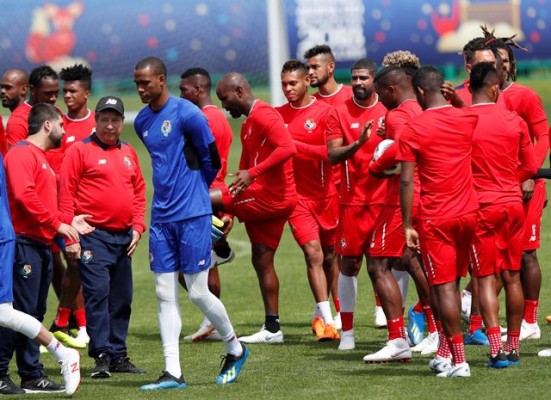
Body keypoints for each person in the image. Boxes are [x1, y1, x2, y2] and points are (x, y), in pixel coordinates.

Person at [134, 57, 248, 390]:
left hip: (192, 215)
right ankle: (173, 372)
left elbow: (211, 159)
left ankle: (235, 348)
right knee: (163, 292)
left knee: (198, 292)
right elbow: (162, 163)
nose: (140, 89)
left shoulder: (188, 114)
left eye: (145, 83)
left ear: (161, 80)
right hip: (161, 218)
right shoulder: (142, 121)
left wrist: (196, 195)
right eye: (136, 83)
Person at [0, 103, 92, 393]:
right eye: (62, 125)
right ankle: (1, 373)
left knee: (35, 310)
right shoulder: (21, 154)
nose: (65, 131)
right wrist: (57, 224)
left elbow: (44, 203)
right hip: (24, 242)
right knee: (16, 311)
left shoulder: (41, 158)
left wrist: (69, 221)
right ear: (48, 125)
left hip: (40, 243)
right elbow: (24, 196)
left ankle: (31, 373)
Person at [397, 66, 479, 378]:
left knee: (442, 288)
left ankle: (459, 361)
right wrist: (456, 100)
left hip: (437, 217)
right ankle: (444, 353)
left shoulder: (414, 128)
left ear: (419, 92)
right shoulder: (465, 117)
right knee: (453, 283)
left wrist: (407, 224)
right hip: (469, 213)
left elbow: (406, 181)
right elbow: (469, 113)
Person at [58, 96, 146, 379]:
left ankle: (119, 354)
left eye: (115, 120)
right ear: (95, 121)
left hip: (124, 239)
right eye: (105, 120)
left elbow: (139, 192)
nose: (110, 125)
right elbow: (66, 193)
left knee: (122, 298)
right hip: (93, 237)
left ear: (121, 122)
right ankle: (102, 355)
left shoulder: (129, 152)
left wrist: (138, 227)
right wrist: (71, 235)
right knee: (98, 294)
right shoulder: (79, 151)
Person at [213, 72, 297, 343]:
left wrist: (253, 174)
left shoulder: (265, 115)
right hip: (264, 195)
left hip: (272, 196)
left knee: (200, 199)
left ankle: (219, 250)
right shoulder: (248, 124)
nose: (224, 105)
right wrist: (230, 210)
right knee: (261, 259)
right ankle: (272, 329)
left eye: (225, 98)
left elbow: (288, 148)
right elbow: (243, 170)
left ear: (239, 91)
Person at [482, 28, 550, 342]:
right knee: (493, 254)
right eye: (495, 61)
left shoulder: (525, 96)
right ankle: (481, 318)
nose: (502, 66)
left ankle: (530, 322)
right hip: (492, 187)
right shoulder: (478, 97)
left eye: (506, 61)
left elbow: (543, 137)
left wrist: (530, 175)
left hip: (525, 185)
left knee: (525, 253)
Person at [468, 62, 537, 368]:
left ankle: (496, 349)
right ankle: (514, 346)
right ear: (495, 88)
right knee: (512, 276)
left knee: (484, 277)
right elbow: (530, 167)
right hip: (512, 204)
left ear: (470, 87)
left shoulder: (463, 120)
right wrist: (510, 180)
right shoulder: (514, 120)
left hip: (481, 206)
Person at [363, 65, 428, 363]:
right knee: (416, 262)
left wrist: (377, 165)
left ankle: (397, 338)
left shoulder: (397, 114)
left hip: (402, 198)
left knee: (377, 264)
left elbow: (403, 147)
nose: (379, 101)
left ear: (391, 90)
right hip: (427, 194)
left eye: (380, 94)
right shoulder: (421, 108)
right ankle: (438, 331)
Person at [325, 58, 387, 351]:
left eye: (364, 78)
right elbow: (333, 155)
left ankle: (394, 330)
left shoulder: (388, 109)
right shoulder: (338, 112)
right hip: (353, 202)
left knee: (386, 265)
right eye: (354, 78)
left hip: (386, 201)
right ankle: (347, 332)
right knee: (349, 265)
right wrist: (359, 144)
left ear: (374, 79)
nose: (358, 83)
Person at [275, 60, 339, 341]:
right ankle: (329, 321)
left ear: (306, 82)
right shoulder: (277, 115)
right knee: (313, 254)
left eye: (293, 83)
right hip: (296, 198)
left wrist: (294, 146)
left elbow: (330, 154)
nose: (287, 88)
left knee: (330, 257)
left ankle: (324, 312)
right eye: (284, 84)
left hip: (327, 196)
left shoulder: (326, 112)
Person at [178, 67, 234, 342]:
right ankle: (212, 319)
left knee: (187, 265)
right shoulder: (220, 117)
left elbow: (200, 162)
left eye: (184, 90)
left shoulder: (202, 120)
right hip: (216, 193)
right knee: (205, 263)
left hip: (205, 196)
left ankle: (214, 318)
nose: (180, 95)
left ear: (198, 90)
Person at [304, 44, 353, 327]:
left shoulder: (350, 96)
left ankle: (380, 308)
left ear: (330, 67)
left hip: (351, 186)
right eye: (308, 67)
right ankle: (332, 310)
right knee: (325, 254)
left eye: (315, 67)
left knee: (358, 253)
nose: (310, 72)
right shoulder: (309, 103)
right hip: (322, 190)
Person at [49, 64, 96, 349]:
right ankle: (72, 323)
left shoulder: (97, 125)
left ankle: (70, 323)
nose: (66, 95)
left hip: (88, 210)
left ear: (86, 93)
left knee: (80, 265)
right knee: (72, 264)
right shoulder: (56, 124)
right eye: (64, 91)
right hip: (59, 209)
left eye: (72, 91)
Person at [5, 65, 58, 148]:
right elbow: (17, 154)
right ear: (33, 89)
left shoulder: (57, 112)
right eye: (48, 93)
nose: (53, 98)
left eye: (56, 93)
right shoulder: (18, 120)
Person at [0, 69, 28, 155]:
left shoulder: (18, 120)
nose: (2, 91)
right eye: (2, 87)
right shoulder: (29, 111)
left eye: (8, 88)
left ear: (23, 89)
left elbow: (17, 157)